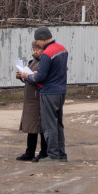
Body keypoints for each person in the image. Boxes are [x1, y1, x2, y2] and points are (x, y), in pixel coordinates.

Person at [19, 26, 70, 162]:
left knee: (49, 125)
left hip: (48, 92)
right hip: (61, 91)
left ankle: (52, 155)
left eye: (37, 41)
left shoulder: (47, 54)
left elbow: (40, 77)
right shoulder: (62, 49)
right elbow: (56, 70)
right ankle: (61, 154)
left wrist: (28, 76)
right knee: (58, 124)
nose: (37, 43)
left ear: (42, 39)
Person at [14, 46, 43, 161]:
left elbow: (40, 78)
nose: (35, 52)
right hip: (30, 98)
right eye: (34, 50)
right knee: (31, 126)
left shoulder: (44, 62)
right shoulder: (33, 62)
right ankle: (29, 152)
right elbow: (28, 77)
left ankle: (43, 152)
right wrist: (21, 76)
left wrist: (30, 76)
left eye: (37, 50)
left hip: (38, 97)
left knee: (40, 126)